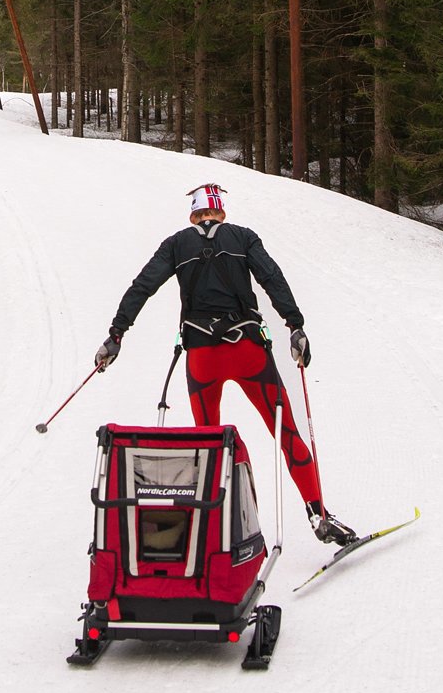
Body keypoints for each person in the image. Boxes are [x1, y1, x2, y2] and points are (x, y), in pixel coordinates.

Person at [94, 183, 357, 547]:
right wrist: (295, 326)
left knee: (208, 444)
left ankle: (217, 530)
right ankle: (318, 514)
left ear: (193, 216)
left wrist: (116, 334)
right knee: (287, 433)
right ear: (221, 213)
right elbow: (272, 278)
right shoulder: (244, 237)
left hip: (202, 358)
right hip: (247, 350)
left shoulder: (176, 244)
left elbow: (143, 286)